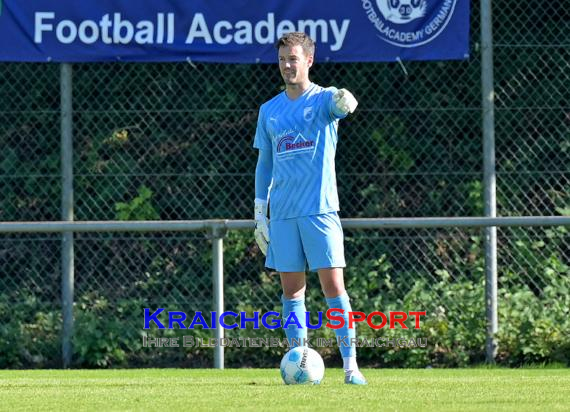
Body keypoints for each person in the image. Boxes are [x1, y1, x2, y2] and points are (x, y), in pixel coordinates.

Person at [252, 32, 367, 385]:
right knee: (292, 292)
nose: (288, 65)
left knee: (334, 288)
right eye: (283, 59)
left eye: (294, 58)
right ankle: (299, 364)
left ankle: (351, 369)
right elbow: (265, 164)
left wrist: (346, 99)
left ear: (309, 61)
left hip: (320, 211)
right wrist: (260, 212)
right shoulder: (269, 110)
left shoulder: (321, 101)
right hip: (283, 215)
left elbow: (340, 104)